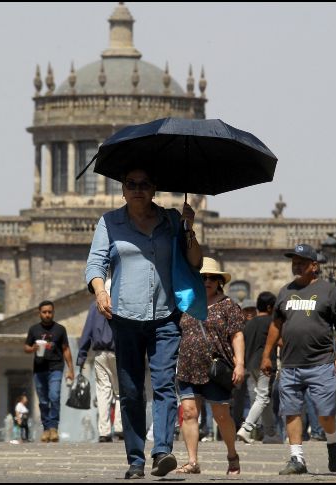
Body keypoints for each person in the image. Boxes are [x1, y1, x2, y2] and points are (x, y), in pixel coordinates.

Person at [85, 166, 202, 479]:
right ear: (122, 190)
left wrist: (188, 228)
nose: (137, 189)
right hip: (125, 317)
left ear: (154, 189)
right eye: (131, 184)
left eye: (144, 184)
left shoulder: (171, 221)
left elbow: (195, 263)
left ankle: (162, 450)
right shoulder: (109, 222)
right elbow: (96, 262)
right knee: (132, 389)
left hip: (165, 315)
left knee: (164, 384)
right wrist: (99, 290)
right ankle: (135, 458)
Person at [261, 243, 336, 475]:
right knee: (291, 411)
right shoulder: (285, 292)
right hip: (290, 363)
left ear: (314, 265)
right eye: (294, 261)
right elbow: (276, 325)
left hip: (321, 362)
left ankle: (332, 442)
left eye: (301, 261)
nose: (296, 265)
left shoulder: (329, 290)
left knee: (325, 413)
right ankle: (296, 458)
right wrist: (267, 355)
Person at [173, 258, 245, 475]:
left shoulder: (228, 306)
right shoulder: (185, 303)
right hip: (187, 366)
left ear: (219, 281)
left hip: (215, 369)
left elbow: (237, 335)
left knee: (221, 415)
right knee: (188, 413)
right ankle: (192, 462)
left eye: (213, 277)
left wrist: (239, 364)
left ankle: (232, 454)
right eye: (203, 277)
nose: (207, 281)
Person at [76, 278, 123, 443]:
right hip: (119, 353)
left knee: (103, 392)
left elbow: (86, 333)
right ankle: (119, 427)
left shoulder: (94, 308)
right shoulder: (121, 305)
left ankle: (104, 431)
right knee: (120, 391)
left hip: (99, 354)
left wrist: (81, 358)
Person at [24, 300, 74, 443]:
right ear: (39, 313)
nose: (47, 315)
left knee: (54, 396)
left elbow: (66, 349)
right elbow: (26, 347)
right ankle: (46, 429)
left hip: (56, 368)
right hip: (39, 369)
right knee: (43, 401)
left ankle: (53, 428)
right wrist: (33, 348)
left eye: (49, 312)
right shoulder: (34, 330)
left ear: (53, 312)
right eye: (44, 312)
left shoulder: (60, 329)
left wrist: (70, 369)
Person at [237, 291, 279, 444]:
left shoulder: (249, 324)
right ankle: (246, 428)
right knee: (262, 397)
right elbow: (280, 342)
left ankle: (271, 434)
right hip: (265, 364)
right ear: (269, 307)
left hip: (251, 365)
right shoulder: (271, 322)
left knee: (264, 398)